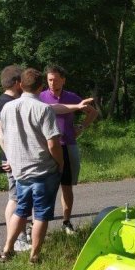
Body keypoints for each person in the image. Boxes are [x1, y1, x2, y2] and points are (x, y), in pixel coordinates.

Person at [0, 68, 63, 263]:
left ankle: (7, 249)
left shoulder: (7, 108)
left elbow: (5, 137)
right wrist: (60, 163)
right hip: (43, 169)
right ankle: (34, 255)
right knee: (41, 214)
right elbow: (53, 143)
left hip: (20, 170)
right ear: (41, 86)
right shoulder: (44, 109)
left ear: (20, 85)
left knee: (21, 210)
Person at [39, 64, 97, 234]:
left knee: (67, 186)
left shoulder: (72, 97)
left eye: (55, 80)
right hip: (47, 147)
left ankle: (66, 222)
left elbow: (92, 113)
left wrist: (81, 127)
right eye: (49, 80)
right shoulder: (41, 97)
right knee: (43, 186)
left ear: (63, 80)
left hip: (68, 144)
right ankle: (38, 224)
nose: (52, 83)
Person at [0, 64, 31, 251]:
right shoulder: (3, 103)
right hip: (12, 159)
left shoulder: (12, 101)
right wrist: (10, 158)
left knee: (21, 198)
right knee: (15, 199)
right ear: (17, 83)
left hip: (18, 158)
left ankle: (21, 235)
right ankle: (16, 239)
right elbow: (0, 133)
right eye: (22, 81)